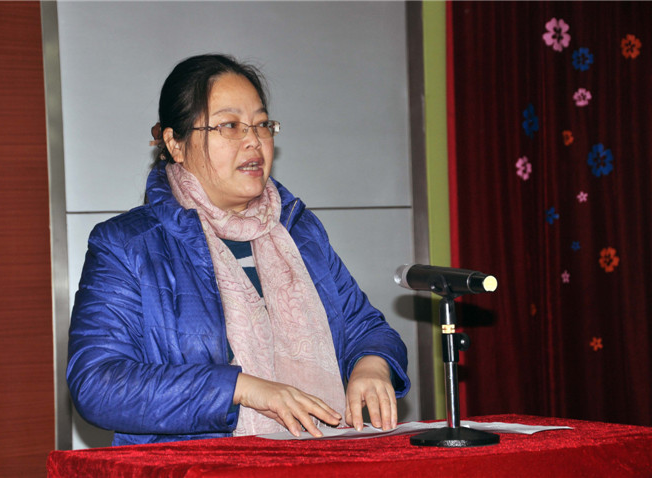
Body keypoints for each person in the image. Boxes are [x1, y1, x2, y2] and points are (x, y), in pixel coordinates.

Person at [67, 54, 410, 446]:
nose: (254, 141)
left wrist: (372, 366)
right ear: (175, 144)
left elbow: (367, 328)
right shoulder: (127, 245)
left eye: (262, 124)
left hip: (321, 461)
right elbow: (97, 384)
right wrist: (240, 389)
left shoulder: (297, 230)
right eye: (230, 126)